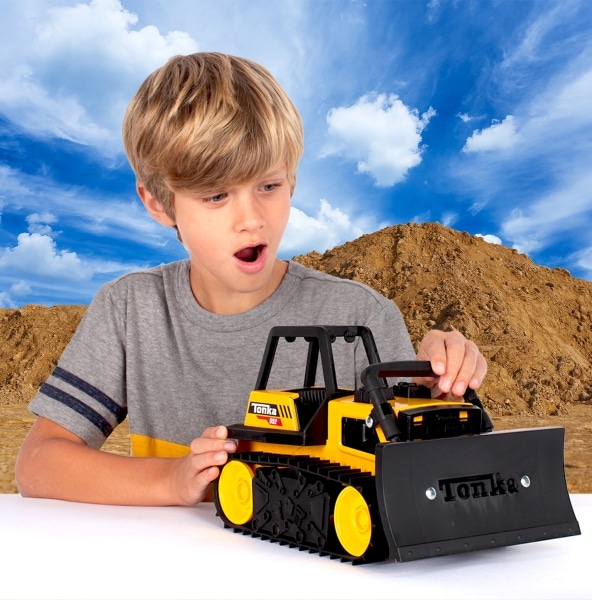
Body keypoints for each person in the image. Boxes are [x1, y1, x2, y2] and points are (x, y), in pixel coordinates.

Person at [16, 52, 486, 506]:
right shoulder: (130, 310)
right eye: (217, 195)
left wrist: (443, 396)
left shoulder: (361, 317)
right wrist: (172, 481)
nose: (251, 219)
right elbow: (38, 463)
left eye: (268, 186)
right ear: (159, 203)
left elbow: (421, 477)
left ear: (293, 181)